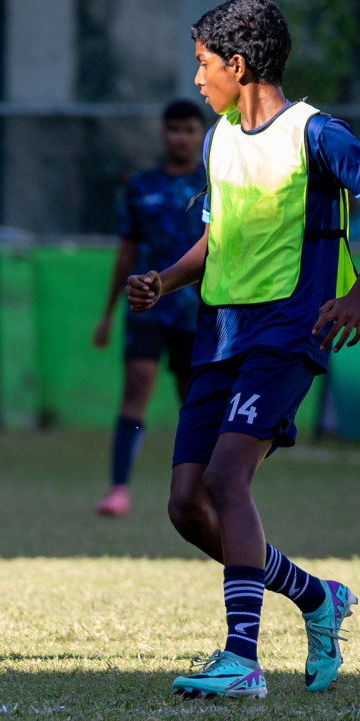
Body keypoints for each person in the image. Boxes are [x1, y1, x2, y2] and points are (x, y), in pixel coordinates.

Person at [127, 0, 360, 700]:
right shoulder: (222, 138)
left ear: (238, 63)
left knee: (229, 479)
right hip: (220, 334)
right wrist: (164, 280)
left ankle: (243, 659)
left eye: (202, 65)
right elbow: (215, 238)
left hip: (290, 331)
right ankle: (316, 596)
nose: (197, 80)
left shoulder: (319, 135)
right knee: (186, 505)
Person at [91, 100, 207, 518]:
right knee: (137, 386)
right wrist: (107, 313)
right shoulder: (140, 186)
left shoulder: (215, 182)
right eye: (174, 129)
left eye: (189, 130)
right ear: (163, 133)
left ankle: (199, 489)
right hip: (147, 306)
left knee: (193, 400)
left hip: (197, 310)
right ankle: (118, 487)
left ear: (201, 134)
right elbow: (126, 251)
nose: (181, 137)